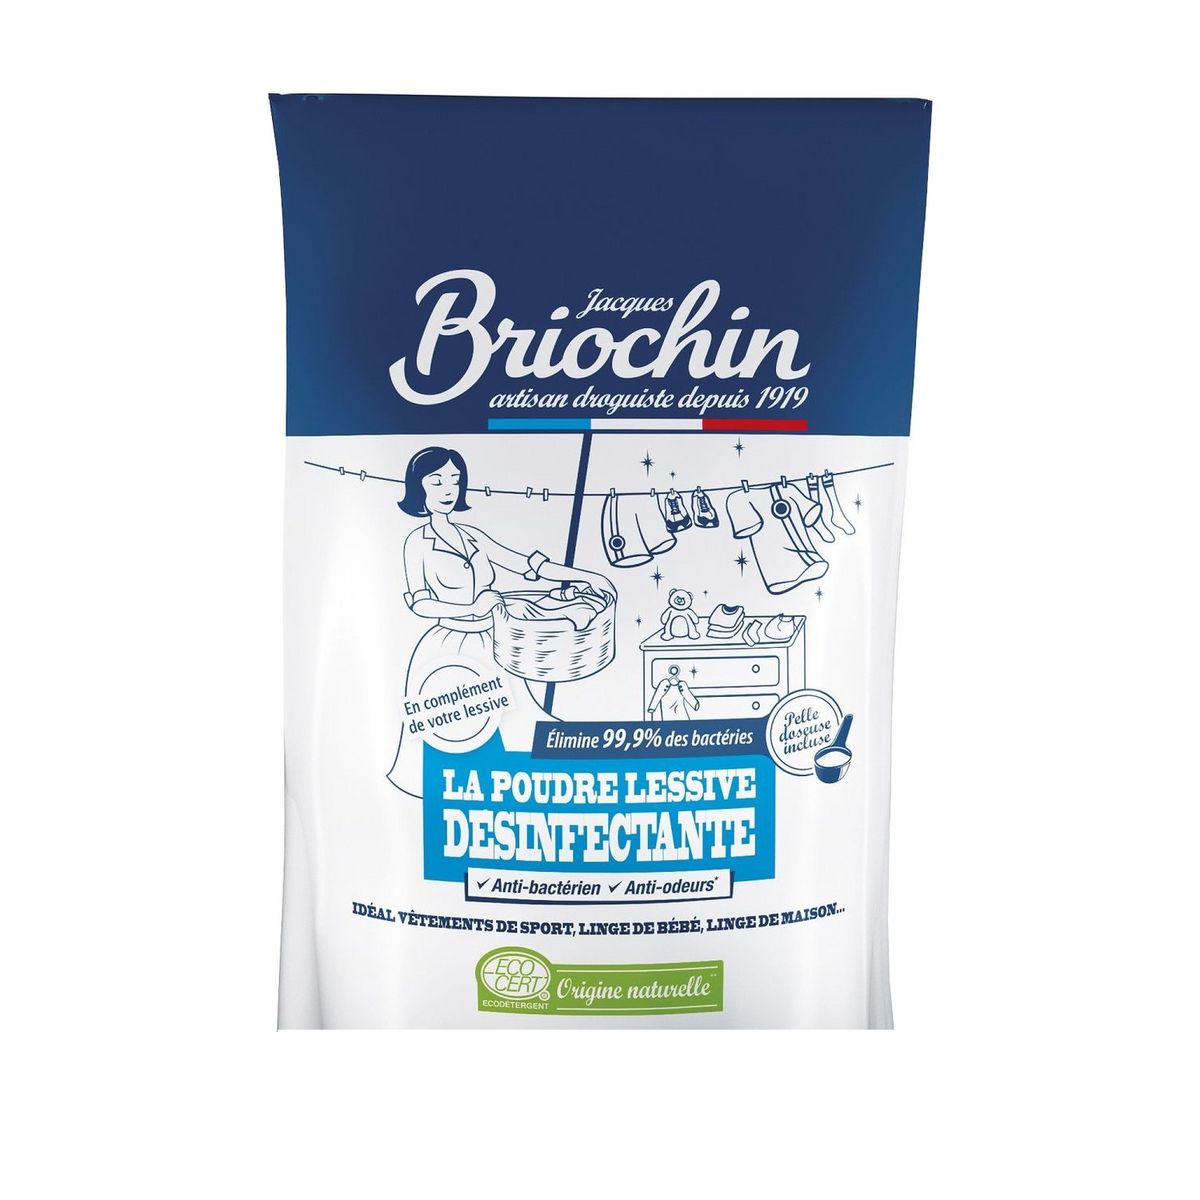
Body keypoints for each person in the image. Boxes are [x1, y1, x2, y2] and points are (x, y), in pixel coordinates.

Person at [387, 446, 613, 797]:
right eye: (437, 481)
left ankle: (518, 786)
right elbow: (420, 603)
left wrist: (585, 577)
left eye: (455, 481)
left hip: (494, 641)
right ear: (418, 487)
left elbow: (527, 565)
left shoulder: (471, 535)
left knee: (513, 722)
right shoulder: (417, 542)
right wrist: (470, 606)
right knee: (451, 723)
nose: (448, 490)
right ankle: (446, 789)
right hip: (448, 645)